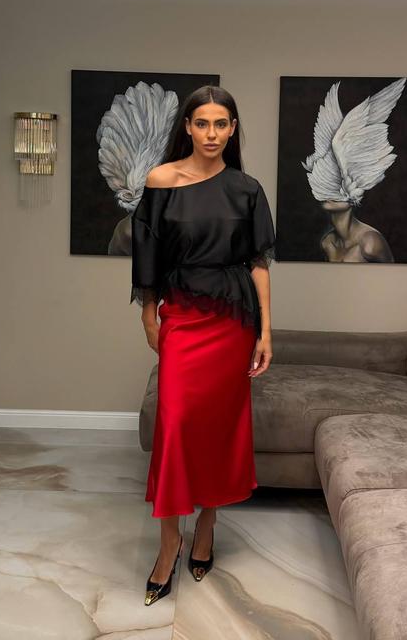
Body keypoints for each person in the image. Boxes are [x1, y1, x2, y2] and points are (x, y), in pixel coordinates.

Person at [130, 85, 276, 606]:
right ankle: (170, 541)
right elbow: (147, 256)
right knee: (174, 425)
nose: (211, 133)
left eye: (221, 124)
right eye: (201, 123)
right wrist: (149, 313)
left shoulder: (247, 189)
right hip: (183, 315)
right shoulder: (161, 180)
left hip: (232, 321)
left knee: (218, 426)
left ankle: (207, 525)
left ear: (232, 129)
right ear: (187, 128)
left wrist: (265, 331)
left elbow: (258, 264)